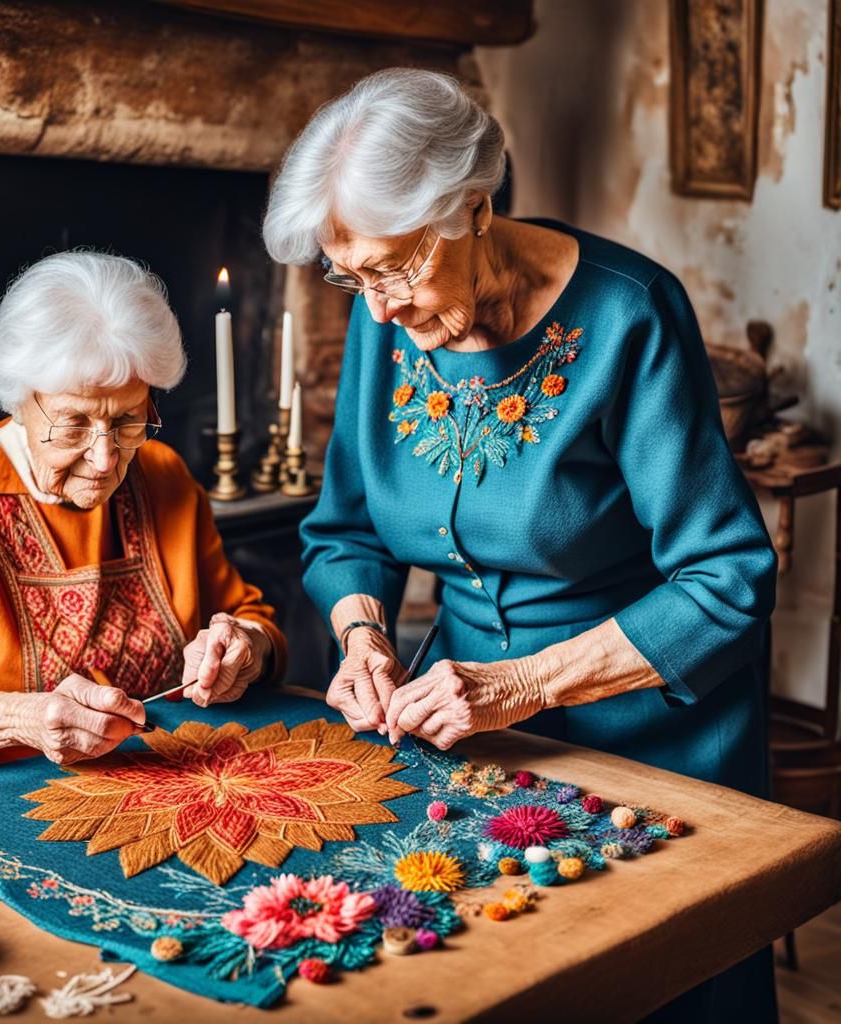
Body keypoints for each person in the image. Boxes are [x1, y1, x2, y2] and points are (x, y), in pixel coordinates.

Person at [263, 69, 777, 1018]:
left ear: (471, 208)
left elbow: (728, 580)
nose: (376, 310)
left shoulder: (632, 315)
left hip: (649, 736)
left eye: (394, 268)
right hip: (467, 739)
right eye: (351, 275)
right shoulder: (391, 313)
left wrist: (527, 684)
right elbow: (345, 530)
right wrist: (365, 640)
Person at [0, 251, 285, 787]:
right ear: (20, 401)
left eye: (127, 420)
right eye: (74, 422)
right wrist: (22, 718)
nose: (105, 460)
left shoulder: (163, 475)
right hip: (8, 801)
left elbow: (249, 616)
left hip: (162, 782)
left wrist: (245, 644)